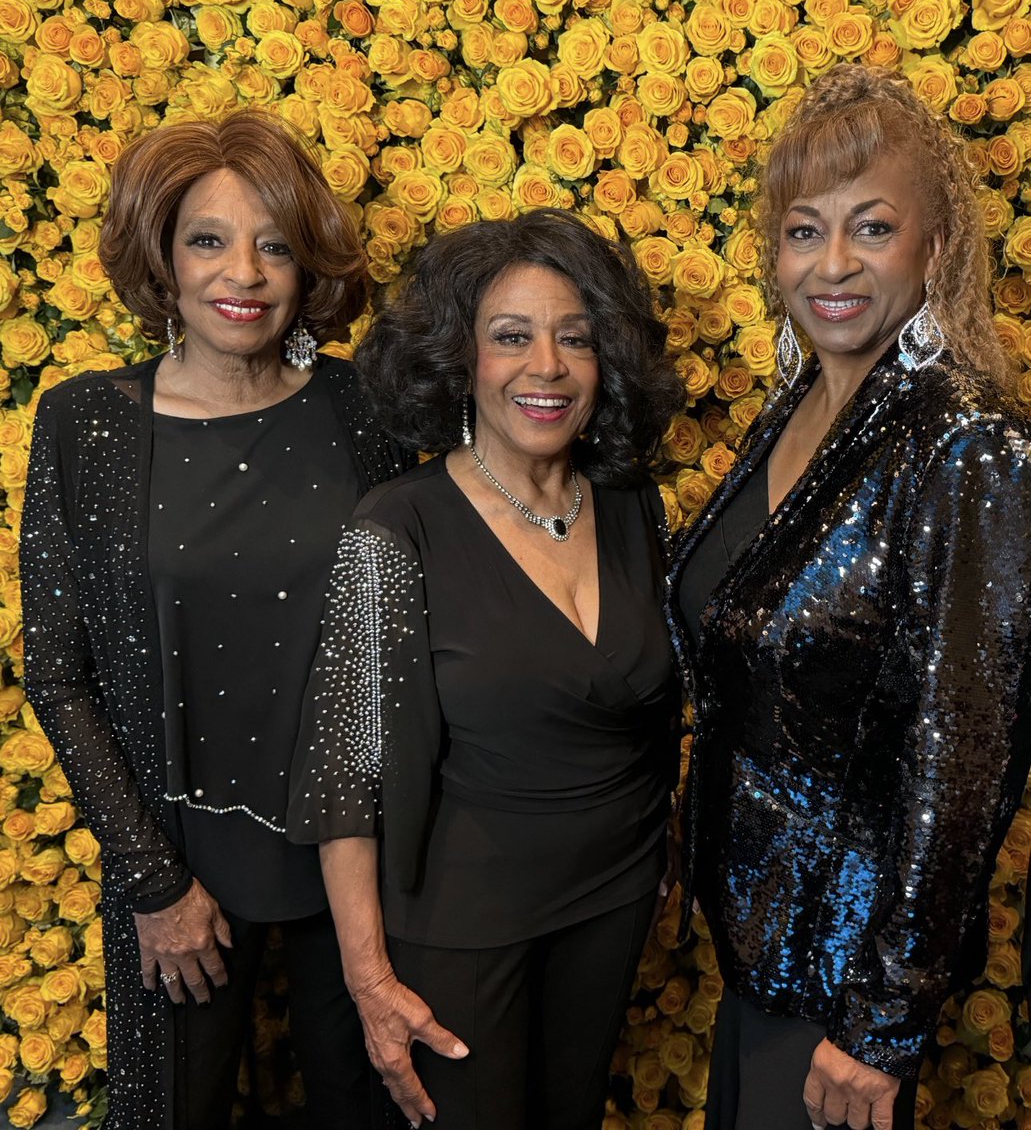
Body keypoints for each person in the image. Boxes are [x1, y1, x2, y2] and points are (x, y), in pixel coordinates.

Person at [21, 110, 408, 1129]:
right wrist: (151, 883)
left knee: (370, 1112)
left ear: (307, 264)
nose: (244, 273)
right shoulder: (88, 422)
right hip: (177, 863)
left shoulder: (366, 406)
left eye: (273, 243)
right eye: (209, 240)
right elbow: (58, 672)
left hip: (357, 866)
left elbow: (408, 637)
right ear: (163, 260)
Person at [666, 63, 1031, 1130]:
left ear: (935, 248)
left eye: (869, 229)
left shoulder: (962, 443)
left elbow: (962, 748)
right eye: (800, 230)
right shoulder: (794, 416)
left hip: (842, 983)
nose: (829, 265)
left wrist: (882, 1020)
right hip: (758, 949)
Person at [285, 209, 684, 1129]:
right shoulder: (395, 527)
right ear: (462, 361)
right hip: (461, 917)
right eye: (511, 337)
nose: (545, 366)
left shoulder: (631, 506)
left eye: (573, 339)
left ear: (603, 363)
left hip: (615, 893)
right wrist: (369, 978)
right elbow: (346, 775)